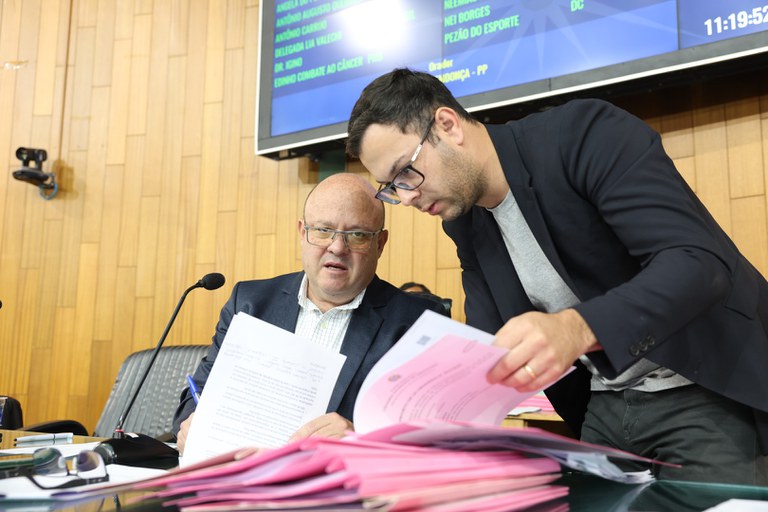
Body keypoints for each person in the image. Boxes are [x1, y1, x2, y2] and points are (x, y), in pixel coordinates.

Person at [346, 68, 768, 484]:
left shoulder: (583, 135)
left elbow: (696, 262)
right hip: (604, 407)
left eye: (405, 172)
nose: (407, 197)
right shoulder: (465, 221)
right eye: (391, 187)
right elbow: (486, 348)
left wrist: (577, 328)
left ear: (447, 125)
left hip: (704, 386)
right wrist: (382, 432)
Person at [172, 173, 444, 454]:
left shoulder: (418, 323)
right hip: (245, 472)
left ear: (380, 243)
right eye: (323, 230)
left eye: (357, 235)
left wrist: (361, 438)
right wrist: (194, 424)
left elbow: (436, 433)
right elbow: (195, 398)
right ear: (303, 232)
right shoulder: (251, 303)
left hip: (343, 478)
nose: (337, 247)